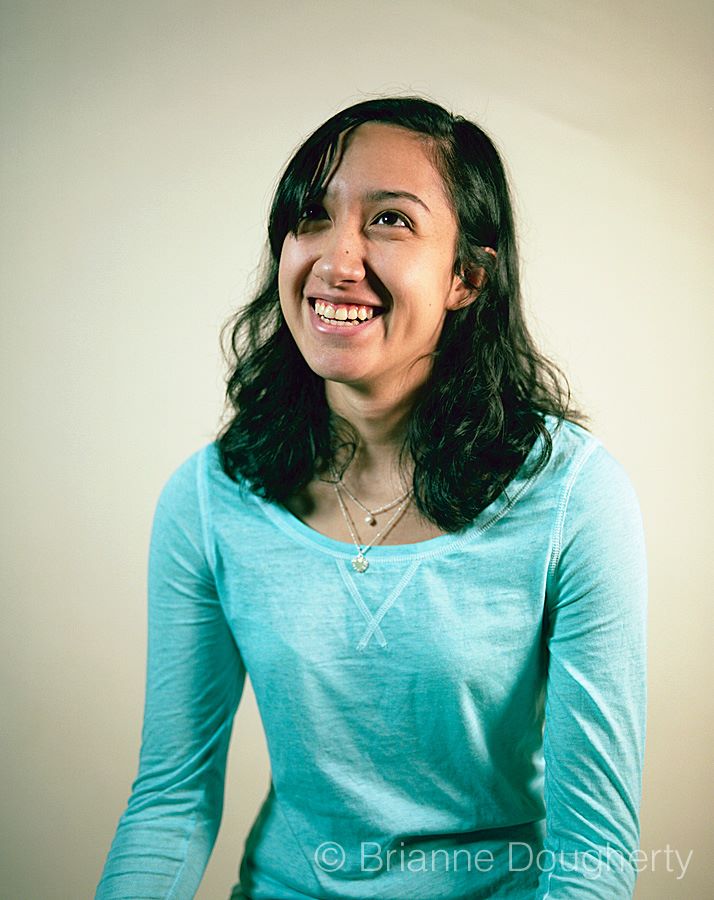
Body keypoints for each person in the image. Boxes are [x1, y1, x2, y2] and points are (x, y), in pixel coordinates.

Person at [95, 97, 647, 899]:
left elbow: (593, 849)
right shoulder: (211, 498)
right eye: (311, 217)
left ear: (466, 277)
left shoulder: (573, 497)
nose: (336, 259)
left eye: (390, 220)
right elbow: (170, 802)